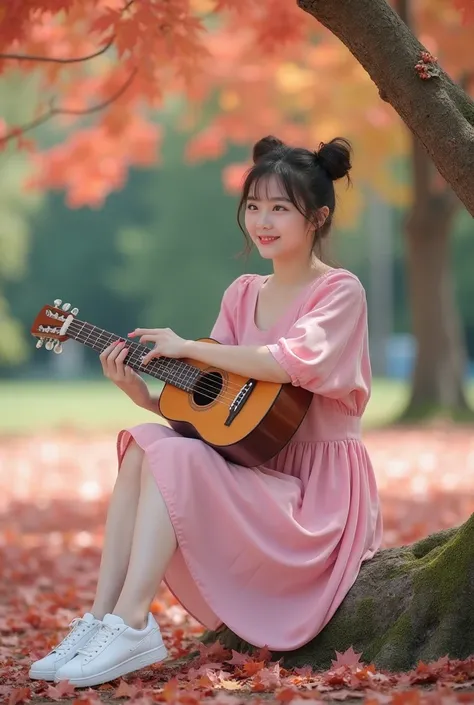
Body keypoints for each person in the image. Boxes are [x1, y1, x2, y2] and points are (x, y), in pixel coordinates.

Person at [29, 135, 383, 689]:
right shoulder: (242, 293)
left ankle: (133, 622)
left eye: (280, 208)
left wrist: (189, 346)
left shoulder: (340, 291)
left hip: (316, 498)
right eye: (254, 207)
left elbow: (289, 363)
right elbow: (213, 411)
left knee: (173, 461)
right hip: (255, 470)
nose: (262, 221)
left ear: (317, 217)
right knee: (147, 439)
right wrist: (144, 396)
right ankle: (102, 619)